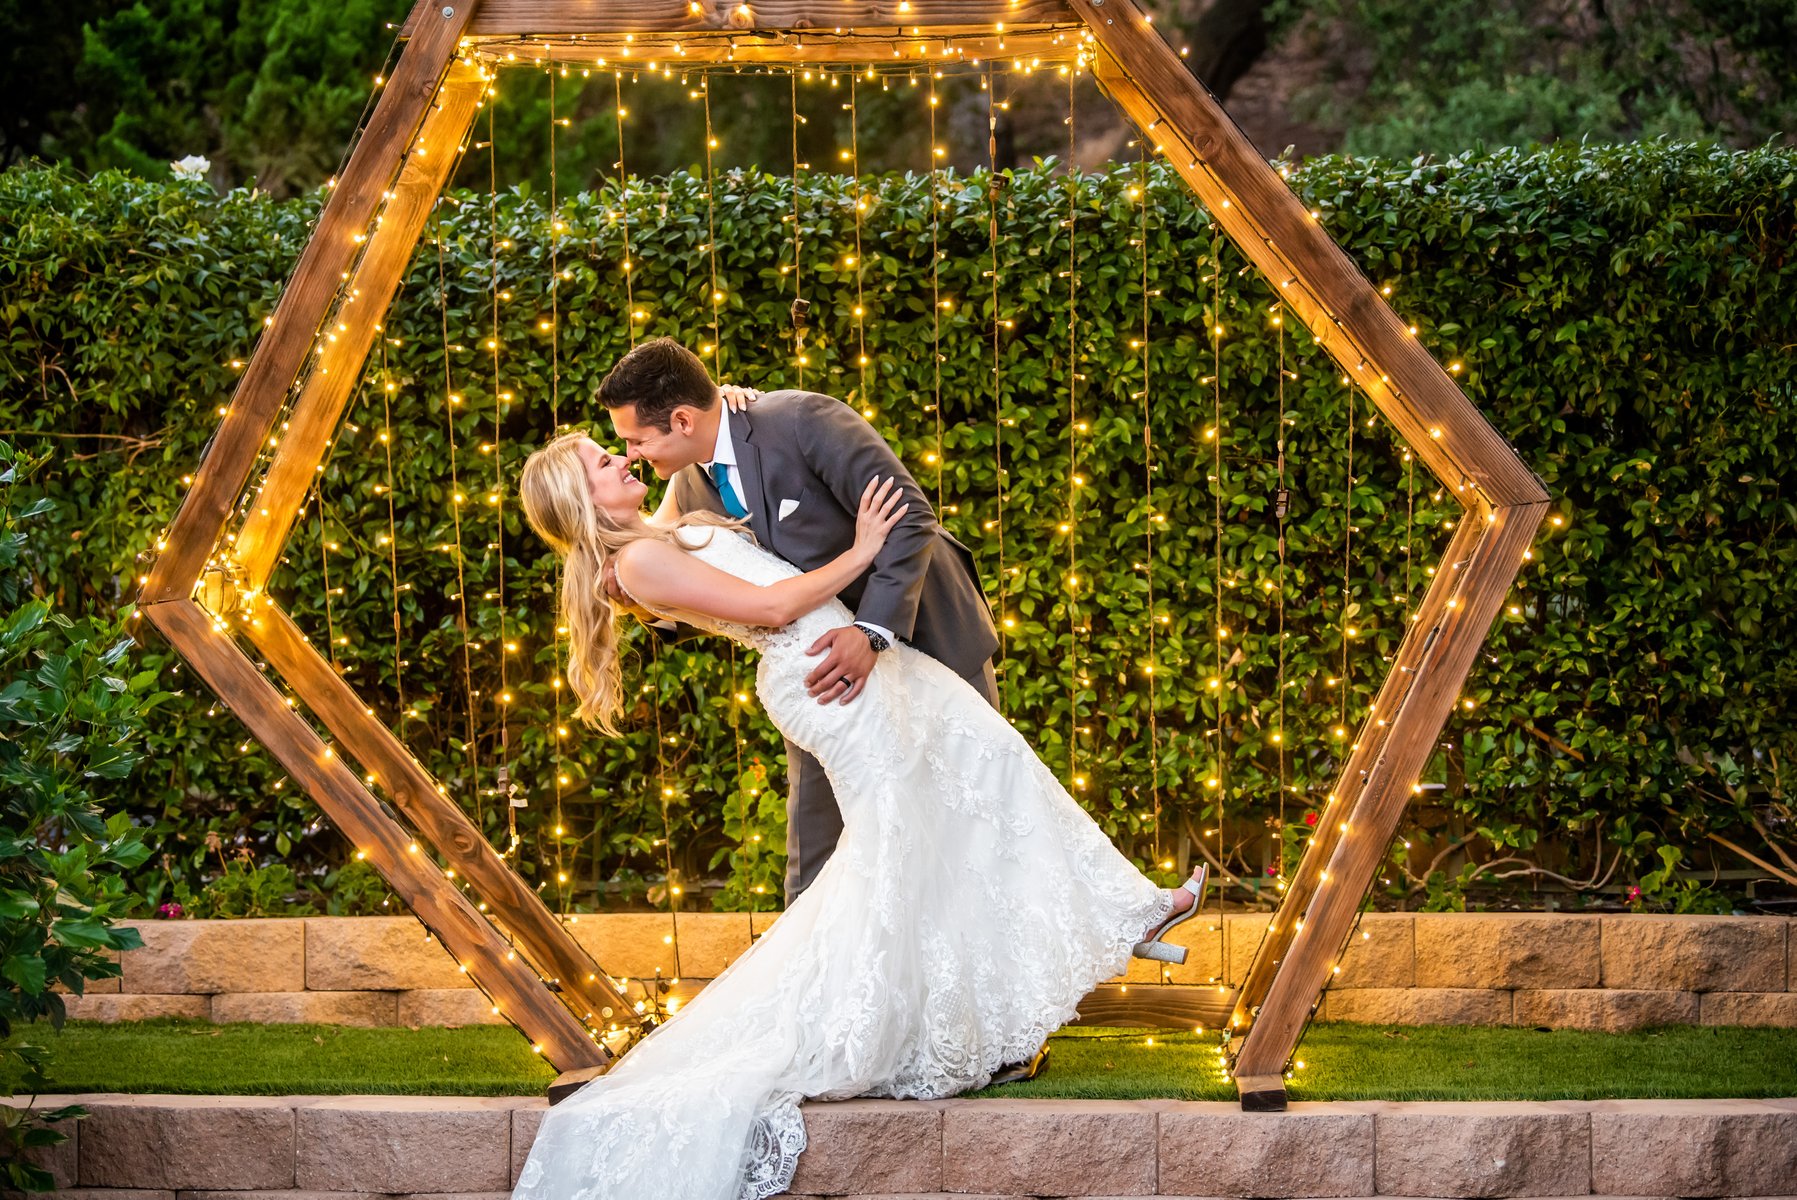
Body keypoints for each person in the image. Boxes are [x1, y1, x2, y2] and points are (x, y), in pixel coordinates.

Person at [512, 429, 1209, 1200]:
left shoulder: (658, 529)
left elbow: (714, 462)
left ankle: (1121, 914)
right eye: (601, 461)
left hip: (857, 661)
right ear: (581, 498)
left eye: (617, 447)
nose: (621, 459)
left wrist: (730, 413)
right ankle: (905, 1016)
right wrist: (864, 548)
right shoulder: (639, 560)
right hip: (826, 676)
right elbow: (772, 604)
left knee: (986, 773)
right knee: (900, 844)